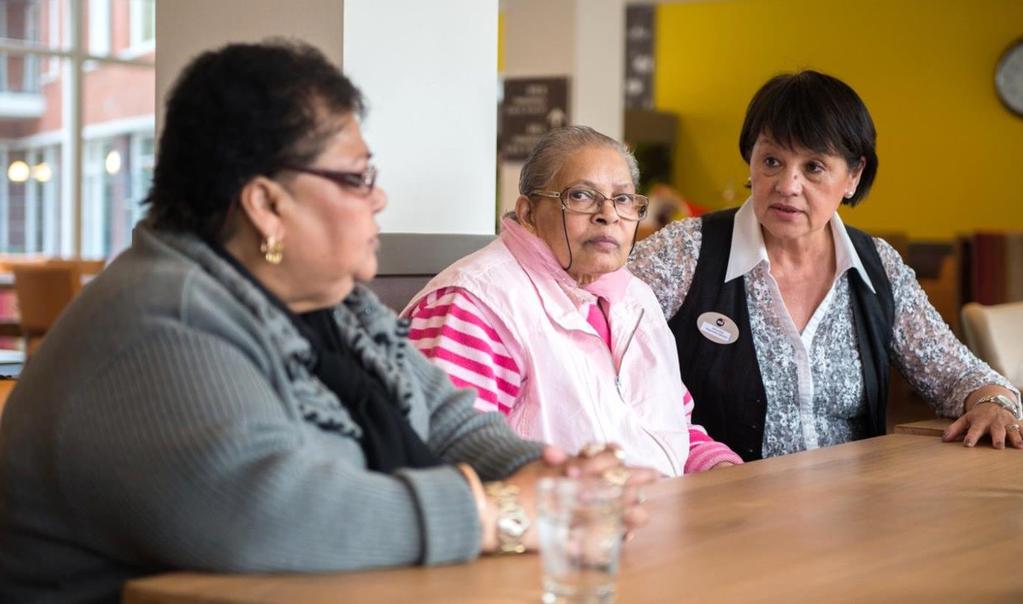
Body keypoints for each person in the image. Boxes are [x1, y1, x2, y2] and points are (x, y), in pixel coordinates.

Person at [0, 41, 653, 604]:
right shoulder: (161, 318)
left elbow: (449, 421)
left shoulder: (333, 303)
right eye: (357, 176)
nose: (380, 197)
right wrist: (505, 513)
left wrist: (562, 481)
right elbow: (269, 512)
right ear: (266, 205)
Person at [628, 70, 1021, 461]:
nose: (788, 184)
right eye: (771, 161)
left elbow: (959, 375)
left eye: (813, 167)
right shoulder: (686, 250)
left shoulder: (878, 267)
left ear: (853, 175)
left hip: (851, 508)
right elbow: (592, 331)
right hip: (720, 506)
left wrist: (993, 402)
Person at [403, 126, 742, 476]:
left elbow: (670, 427)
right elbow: (448, 466)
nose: (608, 215)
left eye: (623, 199)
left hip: (651, 517)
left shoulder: (635, 297)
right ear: (528, 213)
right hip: (558, 525)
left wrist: (721, 469)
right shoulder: (475, 303)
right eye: (581, 196)